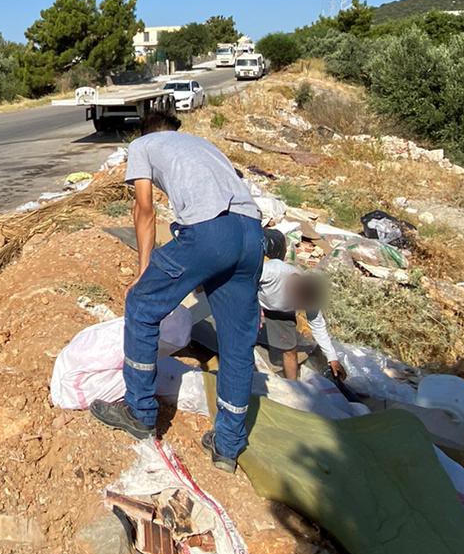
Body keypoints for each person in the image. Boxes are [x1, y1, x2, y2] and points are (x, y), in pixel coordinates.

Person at [90, 107, 263, 472]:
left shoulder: (143, 145)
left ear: (146, 132)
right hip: (251, 234)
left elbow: (145, 211)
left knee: (141, 304)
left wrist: (143, 270)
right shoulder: (203, 145)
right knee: (236, 342)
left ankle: (139, 412)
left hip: (210, 232)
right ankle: (228, 446)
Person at [258, 227, 346, 383]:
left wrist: (332, 357)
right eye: (297, 303)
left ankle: (294, 387)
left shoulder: (308, 295)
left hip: (279, 311)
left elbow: (318, 326)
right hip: (253, 297)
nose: (299, 307)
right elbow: (244, 279)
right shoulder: (273, 271)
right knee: (245, 337)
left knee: (290, 350)